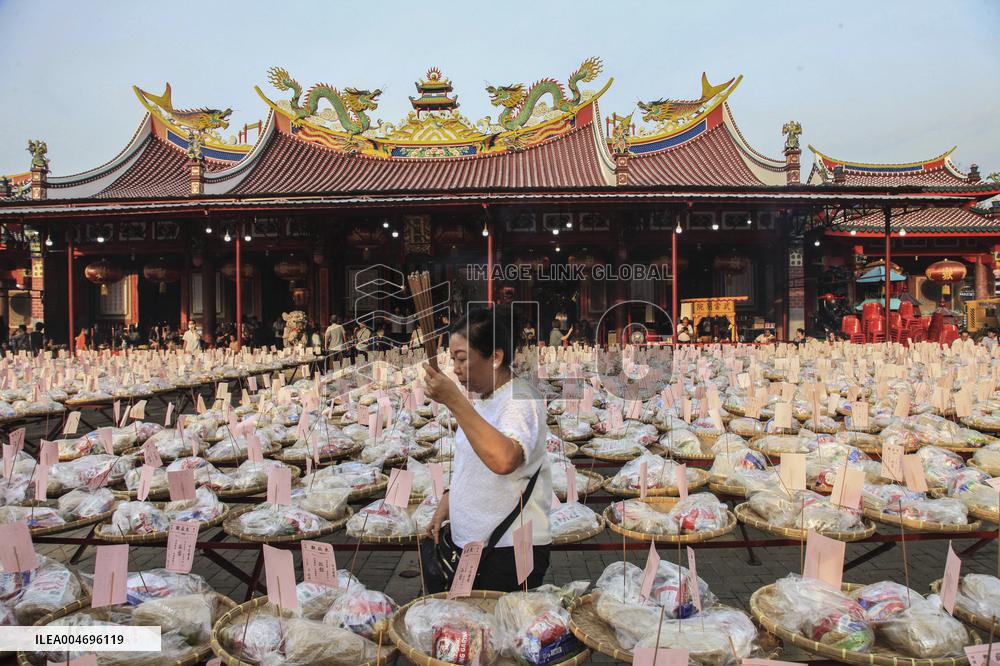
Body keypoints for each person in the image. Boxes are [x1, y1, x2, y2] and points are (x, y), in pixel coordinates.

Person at [422, 308, 552, 592]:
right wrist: (451, 498)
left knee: (501, 631)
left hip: (507, 548)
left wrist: (455, 401)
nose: (455, 369)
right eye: (452, 359)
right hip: (475, 544)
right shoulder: (486, 398)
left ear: (495, 357)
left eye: (462, 359)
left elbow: (504, 459)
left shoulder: (520, 399)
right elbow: (477, 461)